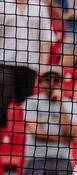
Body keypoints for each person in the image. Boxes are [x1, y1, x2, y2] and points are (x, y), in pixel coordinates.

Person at [22, 67, 77, 175]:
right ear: (41, 82)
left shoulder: (71, 105)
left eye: (56, 80)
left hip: (63, 161)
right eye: (48, 80)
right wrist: (65, 139)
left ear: (62, 83)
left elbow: (71, 132)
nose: (52, 83)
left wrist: (61, 104)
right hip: (36, 160)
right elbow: (36, 132)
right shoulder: (31, 102)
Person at [1, 0, 54, 129]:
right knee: (3, 98)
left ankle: (25, 135)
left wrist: (42, 67)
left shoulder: (39, 6)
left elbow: (46, 39)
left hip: (29, 64)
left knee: (26, 102)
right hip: (4, 62)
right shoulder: (2, 4)